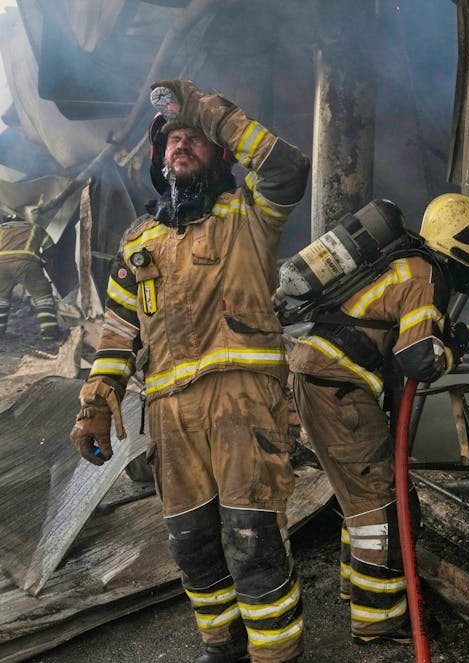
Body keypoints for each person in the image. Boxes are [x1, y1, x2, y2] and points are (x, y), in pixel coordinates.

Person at [69, 79, 310, 663]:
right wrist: (98, 405)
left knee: (251, 541)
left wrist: (204, 110)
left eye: (193, 140)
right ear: (159, 160)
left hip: (243, 404)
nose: (180, 144)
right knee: (193, 545)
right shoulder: (140, 244)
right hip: (171, 417)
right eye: (172, 140)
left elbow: (288, 168)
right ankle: (221, 650)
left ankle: (276, 656)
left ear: (218, 154)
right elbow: (120, 334)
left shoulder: (249, 214)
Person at [288, 193, 469, 644]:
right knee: (383, 504)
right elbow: (419, 359)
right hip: (339, 390)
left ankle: (357, 589)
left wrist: (454, 337)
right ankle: (379, 618)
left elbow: (395, 326)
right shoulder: (425, 277)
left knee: (362, 497)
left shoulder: (405, 262)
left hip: (324, 378)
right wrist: (452, 353)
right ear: (462, 247)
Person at [0, 213, 58, 340]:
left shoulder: (2, 229)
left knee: (1, 299)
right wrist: (42, 262)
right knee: (43, 296)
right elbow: (51, 249)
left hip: (1, 264)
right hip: (26, 264)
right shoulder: (36, 228)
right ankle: (49, 334)